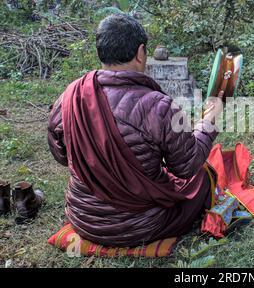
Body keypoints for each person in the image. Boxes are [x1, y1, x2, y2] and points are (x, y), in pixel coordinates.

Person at [47, 13, 223, 247]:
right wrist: (209, 122)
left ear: (101, 51)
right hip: (141, 227)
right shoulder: (158, 105)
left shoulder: (71, 95)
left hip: (84, 219)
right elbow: (186, 167)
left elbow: (61, 156)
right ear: (141, 52)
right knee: (201, 177)